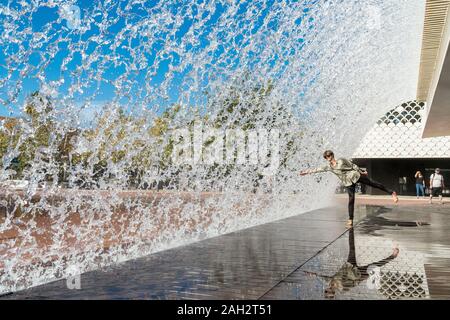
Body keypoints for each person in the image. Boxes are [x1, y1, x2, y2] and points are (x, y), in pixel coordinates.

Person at [300, 150, 398, 227]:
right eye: (326, 157)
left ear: (332, 155)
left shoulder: (342, 160)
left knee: (374, 184)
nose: (328, 158)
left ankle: (392, 193)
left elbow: (353, 166)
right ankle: (350, 219)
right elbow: (318, 169)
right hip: (348, 183)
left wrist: (362, 171)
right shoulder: (329, 167)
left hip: (355, 175)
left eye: (329, 156)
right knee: (351, 200)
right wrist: (306, 172)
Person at [304, 228, 399, 299]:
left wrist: (312, 274)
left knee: (351, 247)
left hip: (349, 264)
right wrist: (366, 276)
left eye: (326, 291)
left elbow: (321, 277)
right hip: (358, 273)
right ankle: (393, 256)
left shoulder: (330, 282)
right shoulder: (342, 288)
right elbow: (355, 283)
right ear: (333, 292)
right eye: (329, 291)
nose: (328, 289)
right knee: (376, 265)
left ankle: (350, 228)